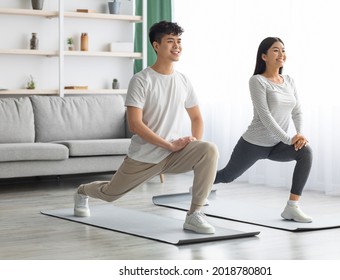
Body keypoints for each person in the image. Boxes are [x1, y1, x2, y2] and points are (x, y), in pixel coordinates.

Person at [73, 21, 219, 234]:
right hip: (145, 156)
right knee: (111, 194)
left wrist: (193, 142)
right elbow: (135, 124)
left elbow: (197, 118)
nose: (177, 46)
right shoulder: (141, 80)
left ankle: (194, 214)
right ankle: (83, 190)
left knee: (209, 149)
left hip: (175, 153)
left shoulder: (183, 80)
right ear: (156, 46)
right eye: (170, 41)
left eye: (179, 41)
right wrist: (169, 145)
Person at [214, 37, 313, 223]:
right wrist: (288, 138)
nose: (281, 54)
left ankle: (292, 207)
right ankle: (200, 185)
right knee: (227, 176)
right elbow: (265, 116)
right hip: (254, 143)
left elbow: (297, 110)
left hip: (277, 145)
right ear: (264, 56)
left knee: (306, 152)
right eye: (276, 50)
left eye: (283, 50)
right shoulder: (257, 81)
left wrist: (299, 134)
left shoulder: (289, 80)